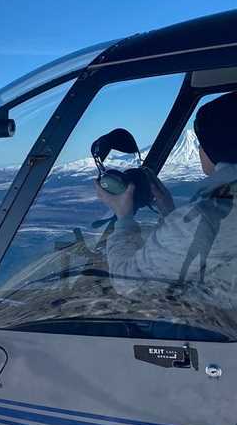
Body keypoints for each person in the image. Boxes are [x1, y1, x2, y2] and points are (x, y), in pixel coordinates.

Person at [96, 91, 237, 303]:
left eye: (201, 143)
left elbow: (129, 283)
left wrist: (124, 218)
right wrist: (170, 212)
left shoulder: (214, 212)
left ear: (214, 146)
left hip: (215, 326)